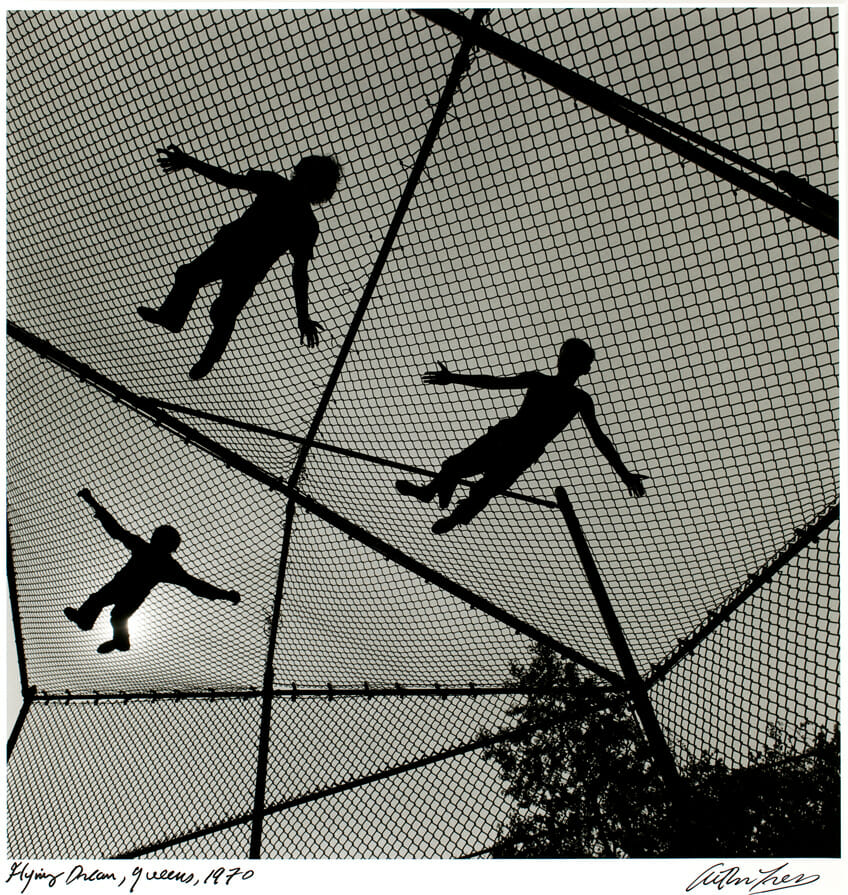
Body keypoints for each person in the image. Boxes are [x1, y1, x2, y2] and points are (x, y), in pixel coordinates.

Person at [395, 338, 647, 533]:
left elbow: (599, 439)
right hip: (511, 441)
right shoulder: (557, 389)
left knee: (482, 486)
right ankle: (432, 492)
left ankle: (450, 511)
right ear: (580, 366)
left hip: (518, 446)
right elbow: (495, 383)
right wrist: (453, 378)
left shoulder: (573, 396)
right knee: (467, 474)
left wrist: (625, 474)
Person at [138, 144, 340, 379]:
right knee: (197, 285)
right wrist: (188, 162)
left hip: (241, 259)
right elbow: (229, 180)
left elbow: (299, 272)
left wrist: (303, 317)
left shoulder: (300, 216)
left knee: (217, 306)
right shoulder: (291, 203)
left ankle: (202, 352)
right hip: (236, 254)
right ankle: (173, 319)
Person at [64, 489, 240, 653]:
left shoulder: (151, 554)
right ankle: (102, 630)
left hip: (124, 587)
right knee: (113, 613)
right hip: (130, 591)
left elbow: (196, 585)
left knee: (108, 609)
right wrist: (92, 502)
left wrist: (225, 595)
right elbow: (195, 585)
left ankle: (109, 635)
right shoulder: (161, 560)